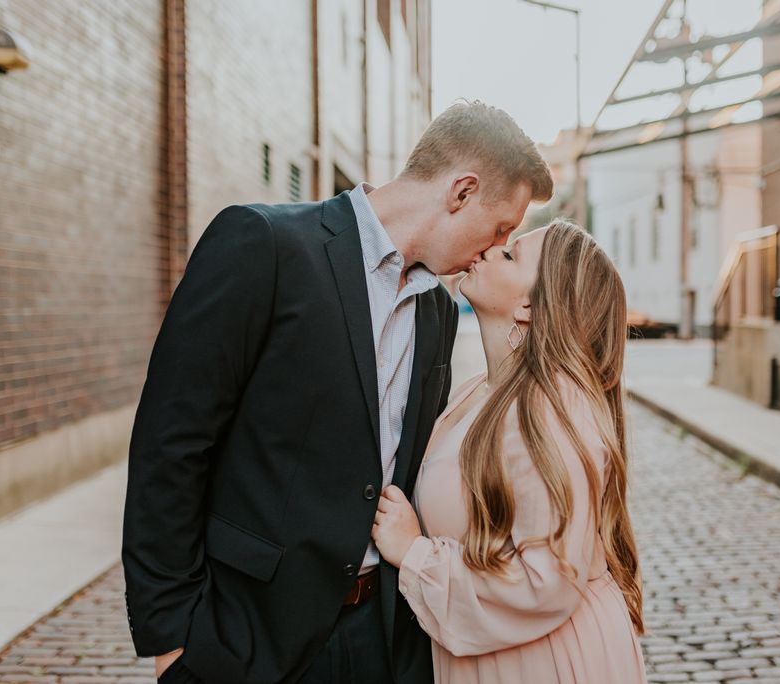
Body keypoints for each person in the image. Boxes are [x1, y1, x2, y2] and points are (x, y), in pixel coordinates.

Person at [121, 101, 553, 684]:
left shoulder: (437, 310)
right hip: (250, 635)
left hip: (382, 638)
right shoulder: (263, 244)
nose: (494, 247)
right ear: (462, 191)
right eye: (500, 227)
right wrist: (172, 636)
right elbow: (170, 443)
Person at [372, 220, 649, 683]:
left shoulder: (553, 410)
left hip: (547, 661)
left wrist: (414, 553)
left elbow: (547, 582)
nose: (488, 248)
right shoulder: (480, 391)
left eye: (510, 254)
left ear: (529, 306)